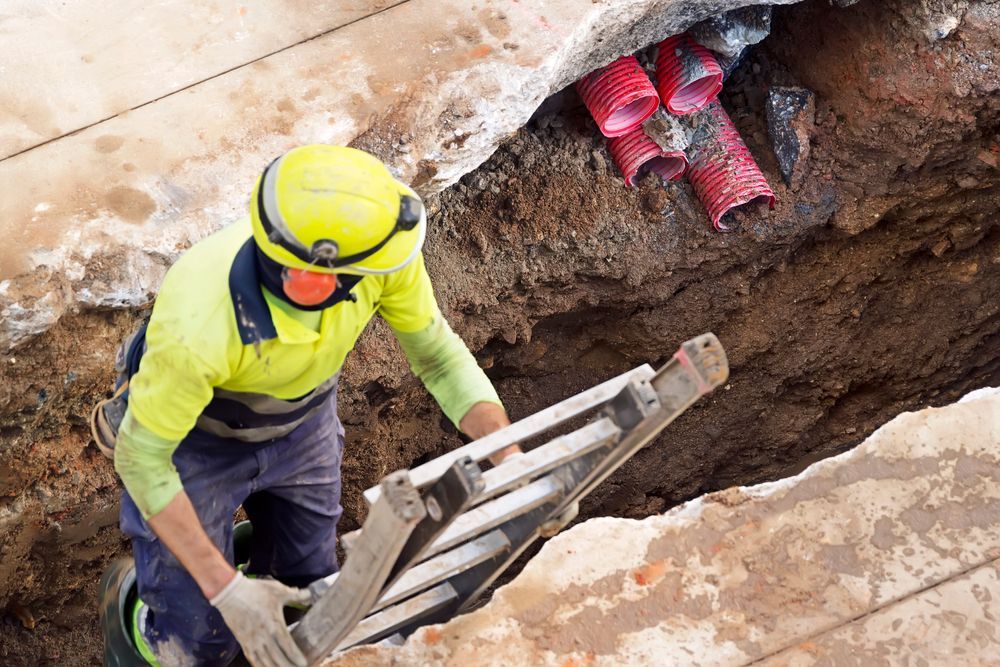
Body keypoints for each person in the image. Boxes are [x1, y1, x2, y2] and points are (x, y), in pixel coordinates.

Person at [92, 144, 520, 666]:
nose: (379, 275)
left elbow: (438, 358)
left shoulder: (378, 255)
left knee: (311, 584)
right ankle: (138, 614)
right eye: (361, 273)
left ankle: (244, 580)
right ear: (312, 279)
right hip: (193, 444)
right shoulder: (201, 324)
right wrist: (226, 592)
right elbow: (142, 459)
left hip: (303, 423)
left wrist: (510, 456)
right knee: (198, 637)